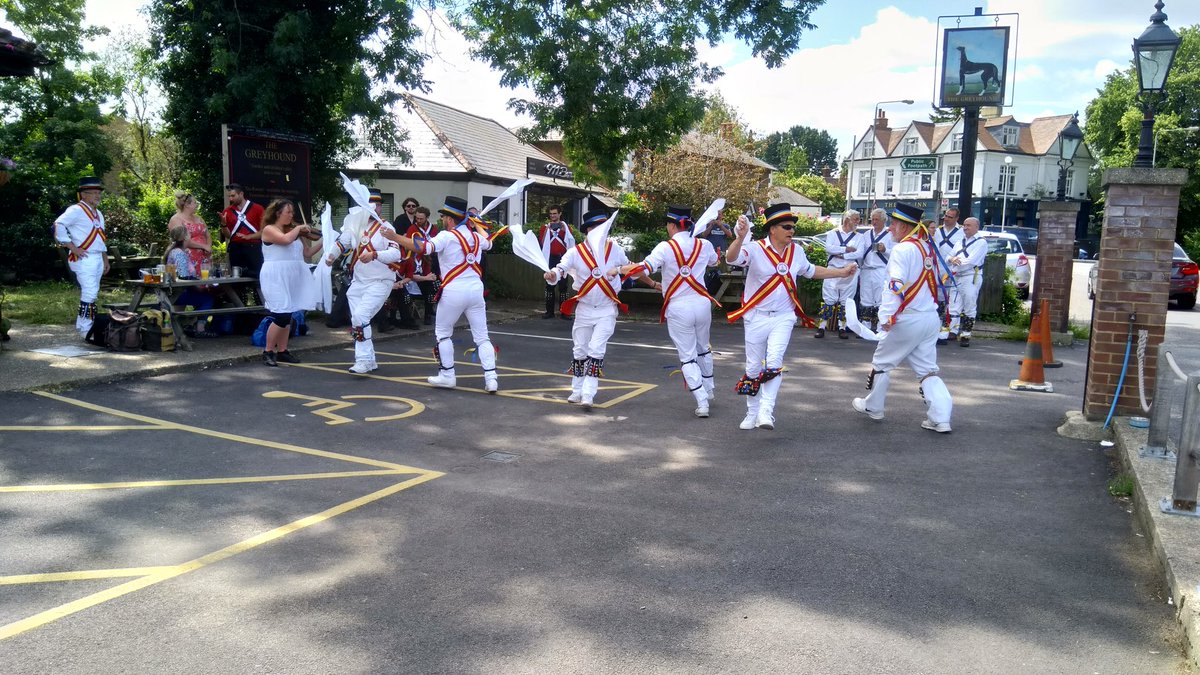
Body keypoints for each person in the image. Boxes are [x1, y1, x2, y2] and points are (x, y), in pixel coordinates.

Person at [726, 204, 857, 431]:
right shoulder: (755, 249)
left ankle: (767, 411)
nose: (792, 231)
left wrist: (842, 272)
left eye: (793, 227)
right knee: (754, 367)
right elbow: (731, 258)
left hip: (784, 316)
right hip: (756, 316)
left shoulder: (796, 251)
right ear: (772, 229)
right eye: (787, 227)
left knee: (775, 362)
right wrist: (739, 238)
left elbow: (811, 271)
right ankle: (752, 411)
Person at [852, 203, 953, 433]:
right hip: (929, 317)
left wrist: (886, 315)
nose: (889, 230)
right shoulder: (927, 247)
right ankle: (941, 417)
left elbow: (894, 285)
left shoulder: (902, 249)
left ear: (903, 226)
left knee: (881, 363)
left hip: (908, 318)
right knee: (927, 369)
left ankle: (873, 407)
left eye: (893, 225)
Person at [614, 206, 720, 418]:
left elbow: (643, 268)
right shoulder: (704, 244)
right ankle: (708, 389)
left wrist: (617, 270)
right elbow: (715, 262)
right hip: (702, 303)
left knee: (688, 356)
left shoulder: (665, 247)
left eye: (667, 225)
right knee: (703, 348)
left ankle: (702, 402)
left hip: (679, 306)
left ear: (672, 225)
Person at [386, 195, 499, 392]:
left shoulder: (447, 236)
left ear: (449, 218)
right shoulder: (476, 237)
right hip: (475, 290)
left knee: (443, 334)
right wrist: (475, 223)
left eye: (444, 217)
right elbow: (490, 241)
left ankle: (447, 375)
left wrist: (394, 237)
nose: (443, 221)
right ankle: (491, 379)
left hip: (454, 290)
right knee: (482, 337)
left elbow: (422, 247)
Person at [544, 209, 638, 408]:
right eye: (598, 228)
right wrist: (553, 274)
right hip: (585, 308)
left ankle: (589, 393)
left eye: (604, 227)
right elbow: (561, 268)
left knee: (596, 350)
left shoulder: (615, 249)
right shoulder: (576, 252)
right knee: (579, 350)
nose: (602, 232)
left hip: (606, 308)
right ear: (589, 230)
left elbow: (634, 269)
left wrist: (624, 270)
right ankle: (577, 390)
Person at [328, 188, 407, 374]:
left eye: (379, 205)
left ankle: (362, 360)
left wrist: (375, 254)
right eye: (372, 204)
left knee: (360, 316)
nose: (376, 208)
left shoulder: (387, 228)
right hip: (358, 282)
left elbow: (396, 253)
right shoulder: (355, 226)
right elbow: (342, 242)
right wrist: (331, 256)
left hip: (381, 281)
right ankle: (369, 360)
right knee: (358, 321)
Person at [258, 199, 322, 367]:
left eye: (293, 212)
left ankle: (283, 351)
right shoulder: (269, 229)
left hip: (292, 277)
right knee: (281, 314)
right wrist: (299, 228)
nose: (292, 215)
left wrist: (326, 241)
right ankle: (268, 351)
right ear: (278, 213)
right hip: (275, 276)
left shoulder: (293, 232)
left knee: (289, 315)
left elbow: (307, 252)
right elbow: (285, 240)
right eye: (289, 212)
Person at [54, 176, 109, 337]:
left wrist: (105, 258)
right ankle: (86, 329)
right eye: (93, 193)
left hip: (97, 257)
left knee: (93, 291)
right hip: (84, 258)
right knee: (90, 292)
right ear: (83, 195)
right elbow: (58, 225)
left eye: (98, 192)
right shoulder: (75, 210)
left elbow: (101, 238)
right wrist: (72, 247)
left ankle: (83, 323)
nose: (97, 196)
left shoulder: (98, 213)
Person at [816, 210, 865, 339]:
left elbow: (859, 253)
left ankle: (842, 328)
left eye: (858, 219)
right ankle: (821, 327)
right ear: (847, 220)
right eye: (855, 219)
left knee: (846, 300)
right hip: (832, 270)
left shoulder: (859, 237)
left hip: (850, 271)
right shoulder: (833, 233)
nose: (858, 221)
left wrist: (840, 254)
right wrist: (846, 249)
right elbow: (829, 248)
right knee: (828, 299)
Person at [163, 224, 217, 337]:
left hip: (177, 290)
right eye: (188, 234)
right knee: (207, 299)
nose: (190, 236)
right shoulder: (179, 253)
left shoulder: (179, 251)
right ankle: (200, 329)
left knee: (206, 296)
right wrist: (198, 284)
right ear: (184, 238)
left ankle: (195, 326)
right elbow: (184, 276)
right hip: (178, 293)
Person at [946, 216, 987, 347]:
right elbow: (948, 255)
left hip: (970, 277)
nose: (965, 227)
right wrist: (952, 259)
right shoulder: (960, 241)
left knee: (969, 305)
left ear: (976, 227)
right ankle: (952, 331)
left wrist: (955, 262)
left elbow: (971, 262)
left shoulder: (981, 243)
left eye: (969, 225)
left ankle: (966, 334)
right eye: (964, 225)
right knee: (953, 304)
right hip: (957, 276)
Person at [858, 208, 895, 333]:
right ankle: (865, 326)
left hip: (881, 270)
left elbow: (896, 255)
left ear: (884, 220)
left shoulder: (890, 235)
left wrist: (885, 250)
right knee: (865, 297)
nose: (874, 222)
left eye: (877, 219)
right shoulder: (866, 235)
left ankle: (880, 327)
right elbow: (860, 253)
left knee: (881, 298)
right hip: (867, 270)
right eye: (872, 219)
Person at [220, 183, 265, 278]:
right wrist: (223, 224)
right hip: (235, 248)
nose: (230, 199)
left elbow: (264, 232)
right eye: (229, 196)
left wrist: (249, 237)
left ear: (241, 194)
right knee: (237, 278)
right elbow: (228, 236)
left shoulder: (258, 209)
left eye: (233, 196)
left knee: (257, 277)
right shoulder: (227, 211)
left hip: (254, 247)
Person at [538, 205, 575, 319]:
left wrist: (563, 230)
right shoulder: (544, 228)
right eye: (551, 214)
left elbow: (570, 242)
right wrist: (547, 231)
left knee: (563, 287)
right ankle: (549, 312)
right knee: (549, 285)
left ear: (559, 214)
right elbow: (542, 243)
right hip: (550, 259)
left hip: (562, 259)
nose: (553, 216)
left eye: (555, 213)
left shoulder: (567, 228)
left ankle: (564, 312)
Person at [933, 207, 963, 345]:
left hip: (953, 270)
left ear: (956, 219)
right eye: (946, 215)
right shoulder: (937, 231)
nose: (946, 218)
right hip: (937, 269)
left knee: (953, 301)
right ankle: (937, 326)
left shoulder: (962, 233)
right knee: (938, 299)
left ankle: (952, 329)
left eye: (950, 217)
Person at [405, 205, 439, 325]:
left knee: (430, 289)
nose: (418, 220)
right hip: (416, 261)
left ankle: (428, 314)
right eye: (417, 218)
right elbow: (408, 245)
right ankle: (409, 316)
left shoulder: (434, 229)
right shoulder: (412, 229)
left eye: (421, 218)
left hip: (431, 262)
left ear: (427, 218)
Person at [169, 191, 212, 274]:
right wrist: (204, 246)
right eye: (195, 203)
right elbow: (181, 239)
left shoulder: (199, 218)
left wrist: (208, 247)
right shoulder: (176, 219)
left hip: (205, 257)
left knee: (207, 282)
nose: (197, 205)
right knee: (191, 283)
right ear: (187, 205)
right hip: (188, 257)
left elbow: (208, 235)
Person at [696, 209, 734, 295]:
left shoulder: (726, 226)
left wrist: (721, 227)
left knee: (723, 274)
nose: (718, 216)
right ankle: (709, 291)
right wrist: (710, 225)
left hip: (722, 255)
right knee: (710, 274)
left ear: (722, 216)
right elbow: (703, 235)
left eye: (719, 214)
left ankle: (723, 292)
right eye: (716, 214)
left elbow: (730, 235)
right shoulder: (707, 225)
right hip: (710, 256)